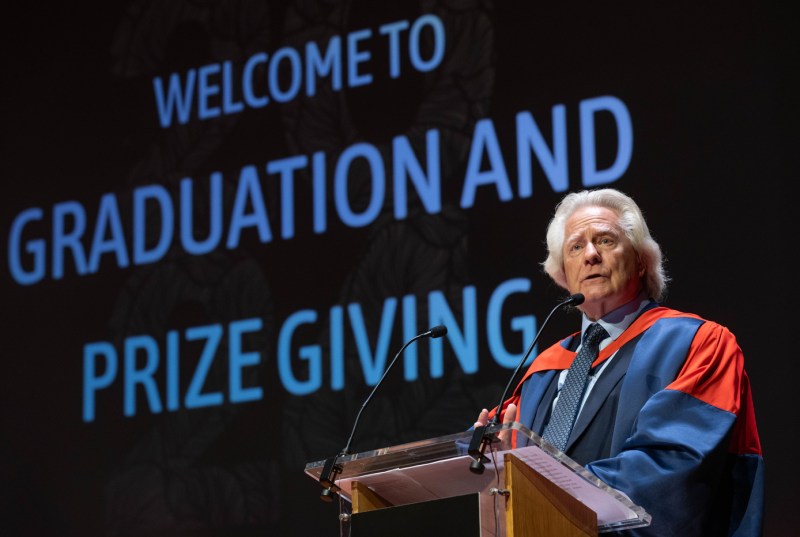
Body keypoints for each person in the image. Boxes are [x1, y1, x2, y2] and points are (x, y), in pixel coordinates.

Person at [474, 188, 764, 536]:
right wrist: (484, 462)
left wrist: (543, 500)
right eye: (576, 247)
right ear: (563, 274)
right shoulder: (543, 372)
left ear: (642, 260)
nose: (591, 255)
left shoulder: (698, 344)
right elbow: (490, 473)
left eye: (606, 240)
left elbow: (670, 471)